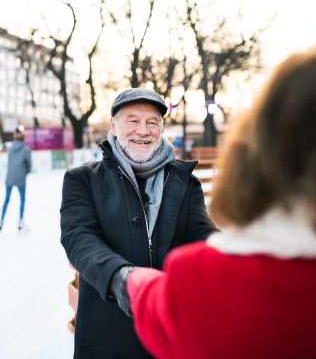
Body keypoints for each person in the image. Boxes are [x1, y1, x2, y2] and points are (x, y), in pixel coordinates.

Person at [118, 39, 316, 359]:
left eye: (152, 121)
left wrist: (134, 279)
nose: (143, 130)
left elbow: (153, 302)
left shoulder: (199, 283)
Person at [60, 88, 217, 358]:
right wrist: (120, 278)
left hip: (171, 333)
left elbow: (202, 233)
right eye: (132, 120)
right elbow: (79, 238)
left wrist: (231, 253)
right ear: (113, 125)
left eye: (152, 122)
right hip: (107, 335)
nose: (143, 131)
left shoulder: (185, 182)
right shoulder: (83, 180)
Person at [0, 128, 31, 233]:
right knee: (22, 199)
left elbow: (9, 162)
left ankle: (1, 221)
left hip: (9, 176)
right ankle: (21, 221)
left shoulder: (11, 148)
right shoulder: (26, 149)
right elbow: (29, 165)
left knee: (6, 200)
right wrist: (24, 173)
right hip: (20, 177)